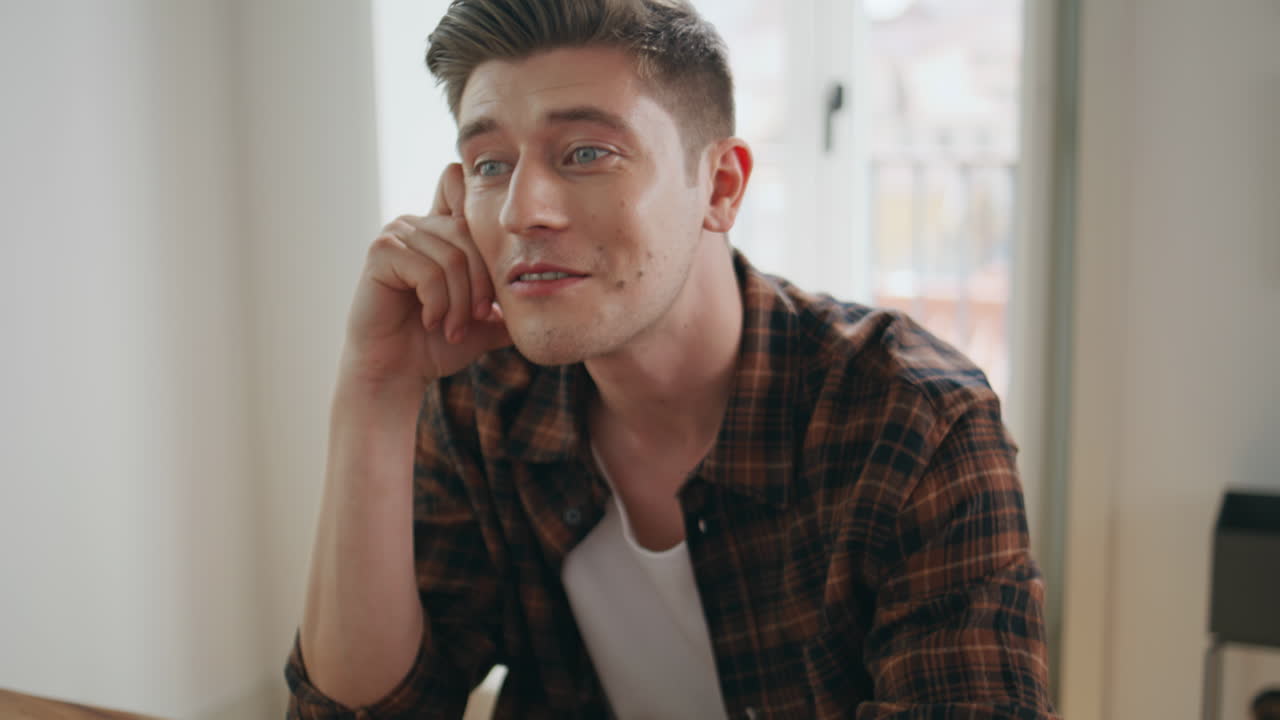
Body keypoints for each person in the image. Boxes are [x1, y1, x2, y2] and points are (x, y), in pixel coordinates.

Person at [284, 0, 1058, 717]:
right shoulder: (484, 399)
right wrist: (377, 387)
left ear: (720, 186)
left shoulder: (915, 422)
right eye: (490, 165)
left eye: (586, 152)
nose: (524, 211)